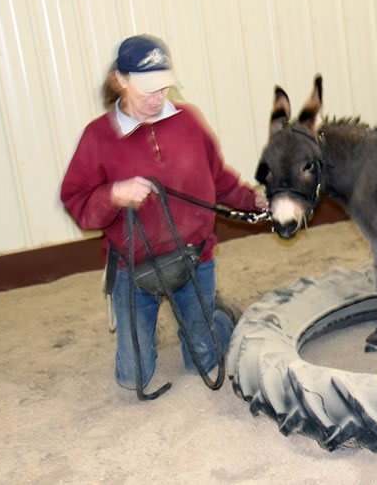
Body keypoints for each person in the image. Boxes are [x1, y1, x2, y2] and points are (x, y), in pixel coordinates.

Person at [61, 34, 267, 391]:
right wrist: (114, 194)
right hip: (134, 268)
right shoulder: (97, 137)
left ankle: (217, 316)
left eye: (164, 87)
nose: (158, 98)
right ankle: (163, 322)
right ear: (120, 81)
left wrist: (254, 201)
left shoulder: (189, 120)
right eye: (148, 89)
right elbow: (79, 206)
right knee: (133, 377)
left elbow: (217, 177)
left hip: (194, 258)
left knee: (203, 360)